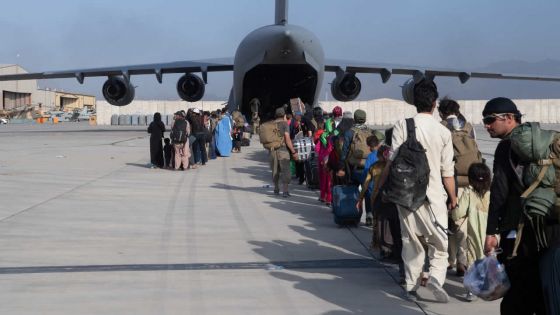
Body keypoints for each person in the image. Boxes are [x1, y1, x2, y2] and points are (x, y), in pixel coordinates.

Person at [384, 79, 456, 303]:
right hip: (433, 197)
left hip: (405, 195)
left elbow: (391, 161)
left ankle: (412, 286)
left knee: (411, 242)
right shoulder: (443, 132)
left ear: (414, 102)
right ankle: (435, 277)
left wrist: (382, 188)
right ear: (435, 103)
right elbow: (447, 173)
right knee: (440, 244)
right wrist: (452, 197)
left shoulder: (402, 126)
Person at [481, 97, 547, 315]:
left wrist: (491, 231)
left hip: (518, 233)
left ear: (510, 118)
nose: (486, 125)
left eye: (491, 119)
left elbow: (499, 193)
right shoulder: (541, 145)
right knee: (541, 291)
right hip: (547, 228)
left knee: (516, 294)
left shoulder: (506, 147)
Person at [438, 97, 479, 276]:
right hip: (470, 182)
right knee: (463, 222)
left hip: (448, 182)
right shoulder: (469, 127)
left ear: (441, 112)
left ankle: (453, 260)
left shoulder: (440, 127)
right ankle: (460, 260)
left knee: (449, 222)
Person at [452, 162, 491, 301]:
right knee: (489, 259)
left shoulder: (469, 192)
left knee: (473, 260)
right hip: (491, 234)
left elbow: (458, 213)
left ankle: (472, 291)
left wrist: (453, 211)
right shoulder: (491, 193)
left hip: (474, 234)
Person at [268, 107, 298, 197]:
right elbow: (287, 139)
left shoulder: (271, 124)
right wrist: (293, 151)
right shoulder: (285, 124)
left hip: (272, 151)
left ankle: (276, 189)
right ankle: (285, 191)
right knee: (285, 171)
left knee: (275, 170)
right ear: (284, 115)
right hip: (283, 150)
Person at [356, 135, 383, 226]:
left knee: (367, 194)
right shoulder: (383, 154)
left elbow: (366, 172)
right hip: (382, 185)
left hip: (372, 186)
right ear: (378, 144)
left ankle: (369, 216)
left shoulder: (371, 156)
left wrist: (362, 181)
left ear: (369, 147)